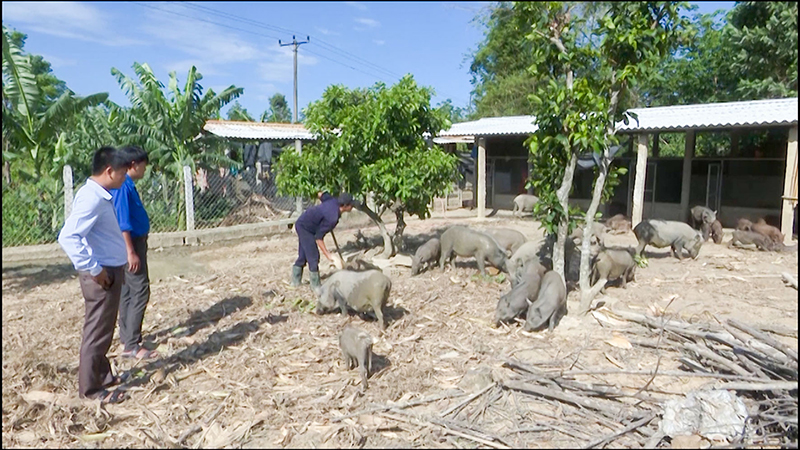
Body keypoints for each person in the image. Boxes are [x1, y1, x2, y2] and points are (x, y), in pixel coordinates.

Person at [57, 147, 131, 404]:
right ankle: (90, 391)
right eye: (122, 173)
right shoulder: (92, 198)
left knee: (104, 329)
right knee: (97, 332)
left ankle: (104, 377)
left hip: (108, 270)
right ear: (109, 171)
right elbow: (68, 237)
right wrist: (95, 270)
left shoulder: (98, 194)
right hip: (102, 274)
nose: (125, 178)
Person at [110, 146, 158, 360]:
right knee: (140, 289)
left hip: (132, 243)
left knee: (128, 290)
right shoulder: (122, 187)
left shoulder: (126, 184)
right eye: (143, 166)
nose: (144, 170)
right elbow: (123, 222)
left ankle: (126, 337)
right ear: (133, 165)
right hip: (131, 244)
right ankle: (132, 344)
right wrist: (130, 251)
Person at [290, 192, 354, 288]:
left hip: (304, 222)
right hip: (305, 228)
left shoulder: (332, 200)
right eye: (351, 204)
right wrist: (328, 255)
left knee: (303, 255)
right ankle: (315, 286)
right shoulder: (332, 218)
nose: (353, 206)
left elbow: (321, 194)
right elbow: (319, 238)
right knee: (313, 257)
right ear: (345, 206)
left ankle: (295, 282)